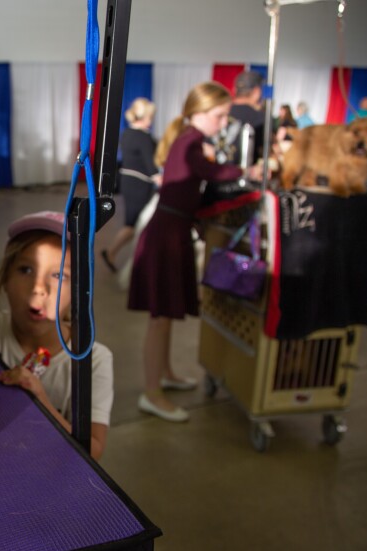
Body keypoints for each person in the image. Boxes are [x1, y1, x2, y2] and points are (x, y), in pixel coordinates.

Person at [129, 81, 262, 422]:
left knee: (167, 314)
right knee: (159, 319)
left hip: (174, 232)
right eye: (219, 116)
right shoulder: (191, 142)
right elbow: (211, 173)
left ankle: (167, 374)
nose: (222, 123)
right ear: (199, 113)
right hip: (166, 237)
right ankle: (152, 393)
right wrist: (247, 171)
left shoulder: (191, 140)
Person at [0, 211, 113, 459]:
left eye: (60, 276)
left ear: (80, 292)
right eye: (26, 269)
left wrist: (40, 400)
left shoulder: (96, 360)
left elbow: (94, 449)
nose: (40, 288)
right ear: (5, 278)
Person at [101, 98, 162, 274]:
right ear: (145, 116)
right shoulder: (143, 136)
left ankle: (112, 253)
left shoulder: (127, 133)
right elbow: (150, 164)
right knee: (133, 224)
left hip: (128, 181)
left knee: (133, 223)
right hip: (139, 184)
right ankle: (113, 253)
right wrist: (159, 178)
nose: (152, 119)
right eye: (151, 116)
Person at [218, 70, 265, 167]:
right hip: (247, 178)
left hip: (213, 176)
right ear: (257, 92)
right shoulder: (262, 119)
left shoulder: (218, 114)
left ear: (234, 89)